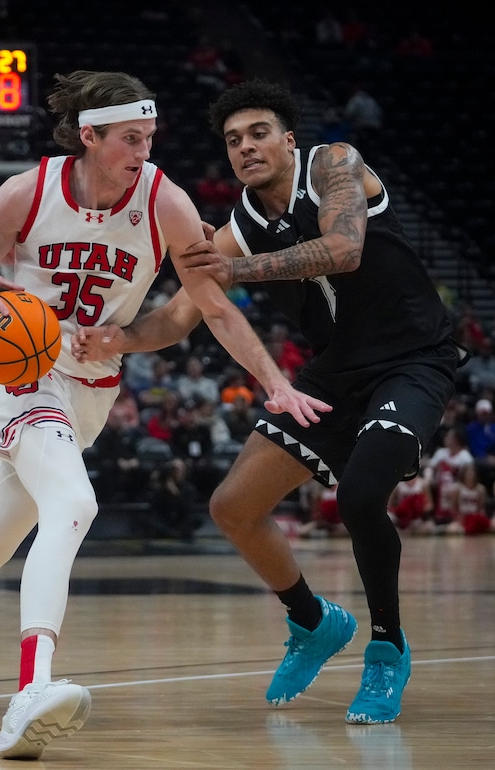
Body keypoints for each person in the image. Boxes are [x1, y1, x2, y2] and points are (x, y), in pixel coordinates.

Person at [0, 70, 328, 761]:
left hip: (91, 388)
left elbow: (211, 306)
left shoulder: (166, 203)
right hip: (20, 371)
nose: (143, 151)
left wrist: (275, 382)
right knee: (75, 505)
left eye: (149, 137)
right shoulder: (29, 190)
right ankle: (32, 689)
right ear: (89, 137)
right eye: (129, 139)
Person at [74, 78, 467, 725]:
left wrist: (235, 271)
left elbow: (344, 249)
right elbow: (175, 321)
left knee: (362, 496)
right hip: (335, 374)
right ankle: (313, 622)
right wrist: (113, 339)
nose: (246, 147)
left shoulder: (333, 164)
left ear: (289, 139)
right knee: (232, 506)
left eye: (258, 133)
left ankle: (387, 648)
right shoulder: (241, 227)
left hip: (412, 361)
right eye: (233, 141)